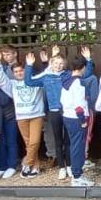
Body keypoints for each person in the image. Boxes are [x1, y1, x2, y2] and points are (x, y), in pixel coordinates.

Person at [24, 46, 73, 178]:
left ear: (64, 65)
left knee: (68, 140)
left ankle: (69, 166)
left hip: (68, 111)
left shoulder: (68, 75)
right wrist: (29, 66)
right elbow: (29, 82)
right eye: (56, 63)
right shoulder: (46, 76)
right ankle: (61, 168)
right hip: (54, 111)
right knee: (58, 140)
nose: (58, 66)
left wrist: (88, 60)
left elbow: (85, 75)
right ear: (51, 64)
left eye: (61, 63)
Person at [0, 51, 45, 177]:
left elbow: (47, 73)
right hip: (21, 117)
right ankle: (35, 166)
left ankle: (27, 163)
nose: (19, 73)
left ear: (26, 71)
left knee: (34, 142)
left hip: (36, 115)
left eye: (21, 70)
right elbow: (1, 78)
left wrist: (34, 64)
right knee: (28, 143)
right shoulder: (12, 84)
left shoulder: (36, 81)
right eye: (16, 72)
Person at [61, 54, 98, 187]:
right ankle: (77, 176)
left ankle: (77, 173)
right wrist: (83, 120)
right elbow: (79, 105)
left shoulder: (66, 80)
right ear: (83, 67)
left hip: (67, 116)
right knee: (78, 147)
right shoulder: (78, 83)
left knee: (74, 146)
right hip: (77, 119)